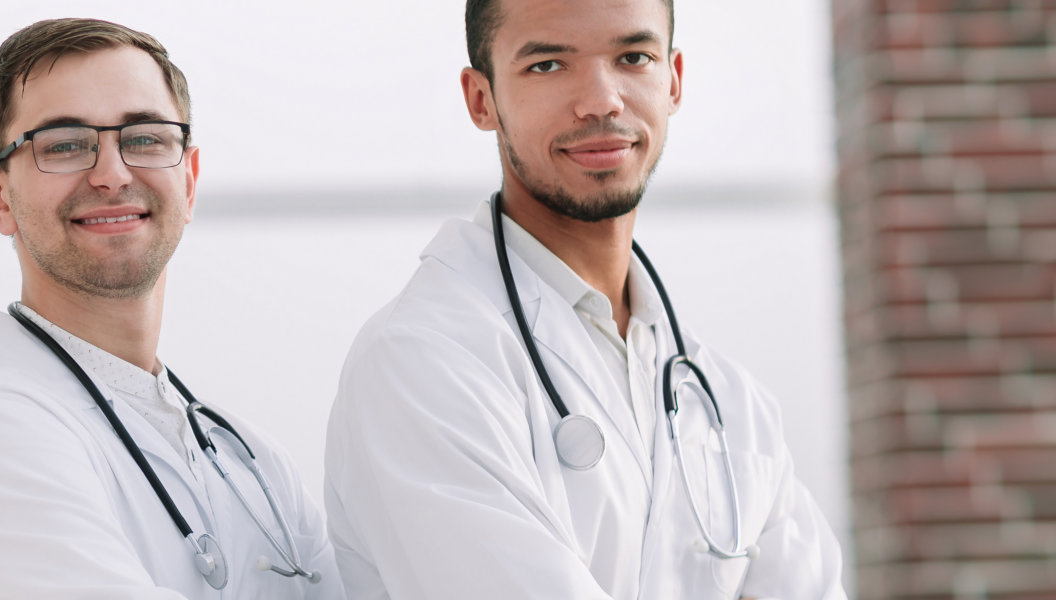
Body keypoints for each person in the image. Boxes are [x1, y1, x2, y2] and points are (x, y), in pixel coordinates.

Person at [323, 0, 847, 598]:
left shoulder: (730, 402)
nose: (602, 100)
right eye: (548, 65)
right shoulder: (419, 363)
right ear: (481, 100)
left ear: (673, 79)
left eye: (633, 57)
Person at [0, 18, 343, 599]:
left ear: (189, 181)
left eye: (145, 137)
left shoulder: (250, 461)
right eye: (65, 145)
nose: (111, 174)